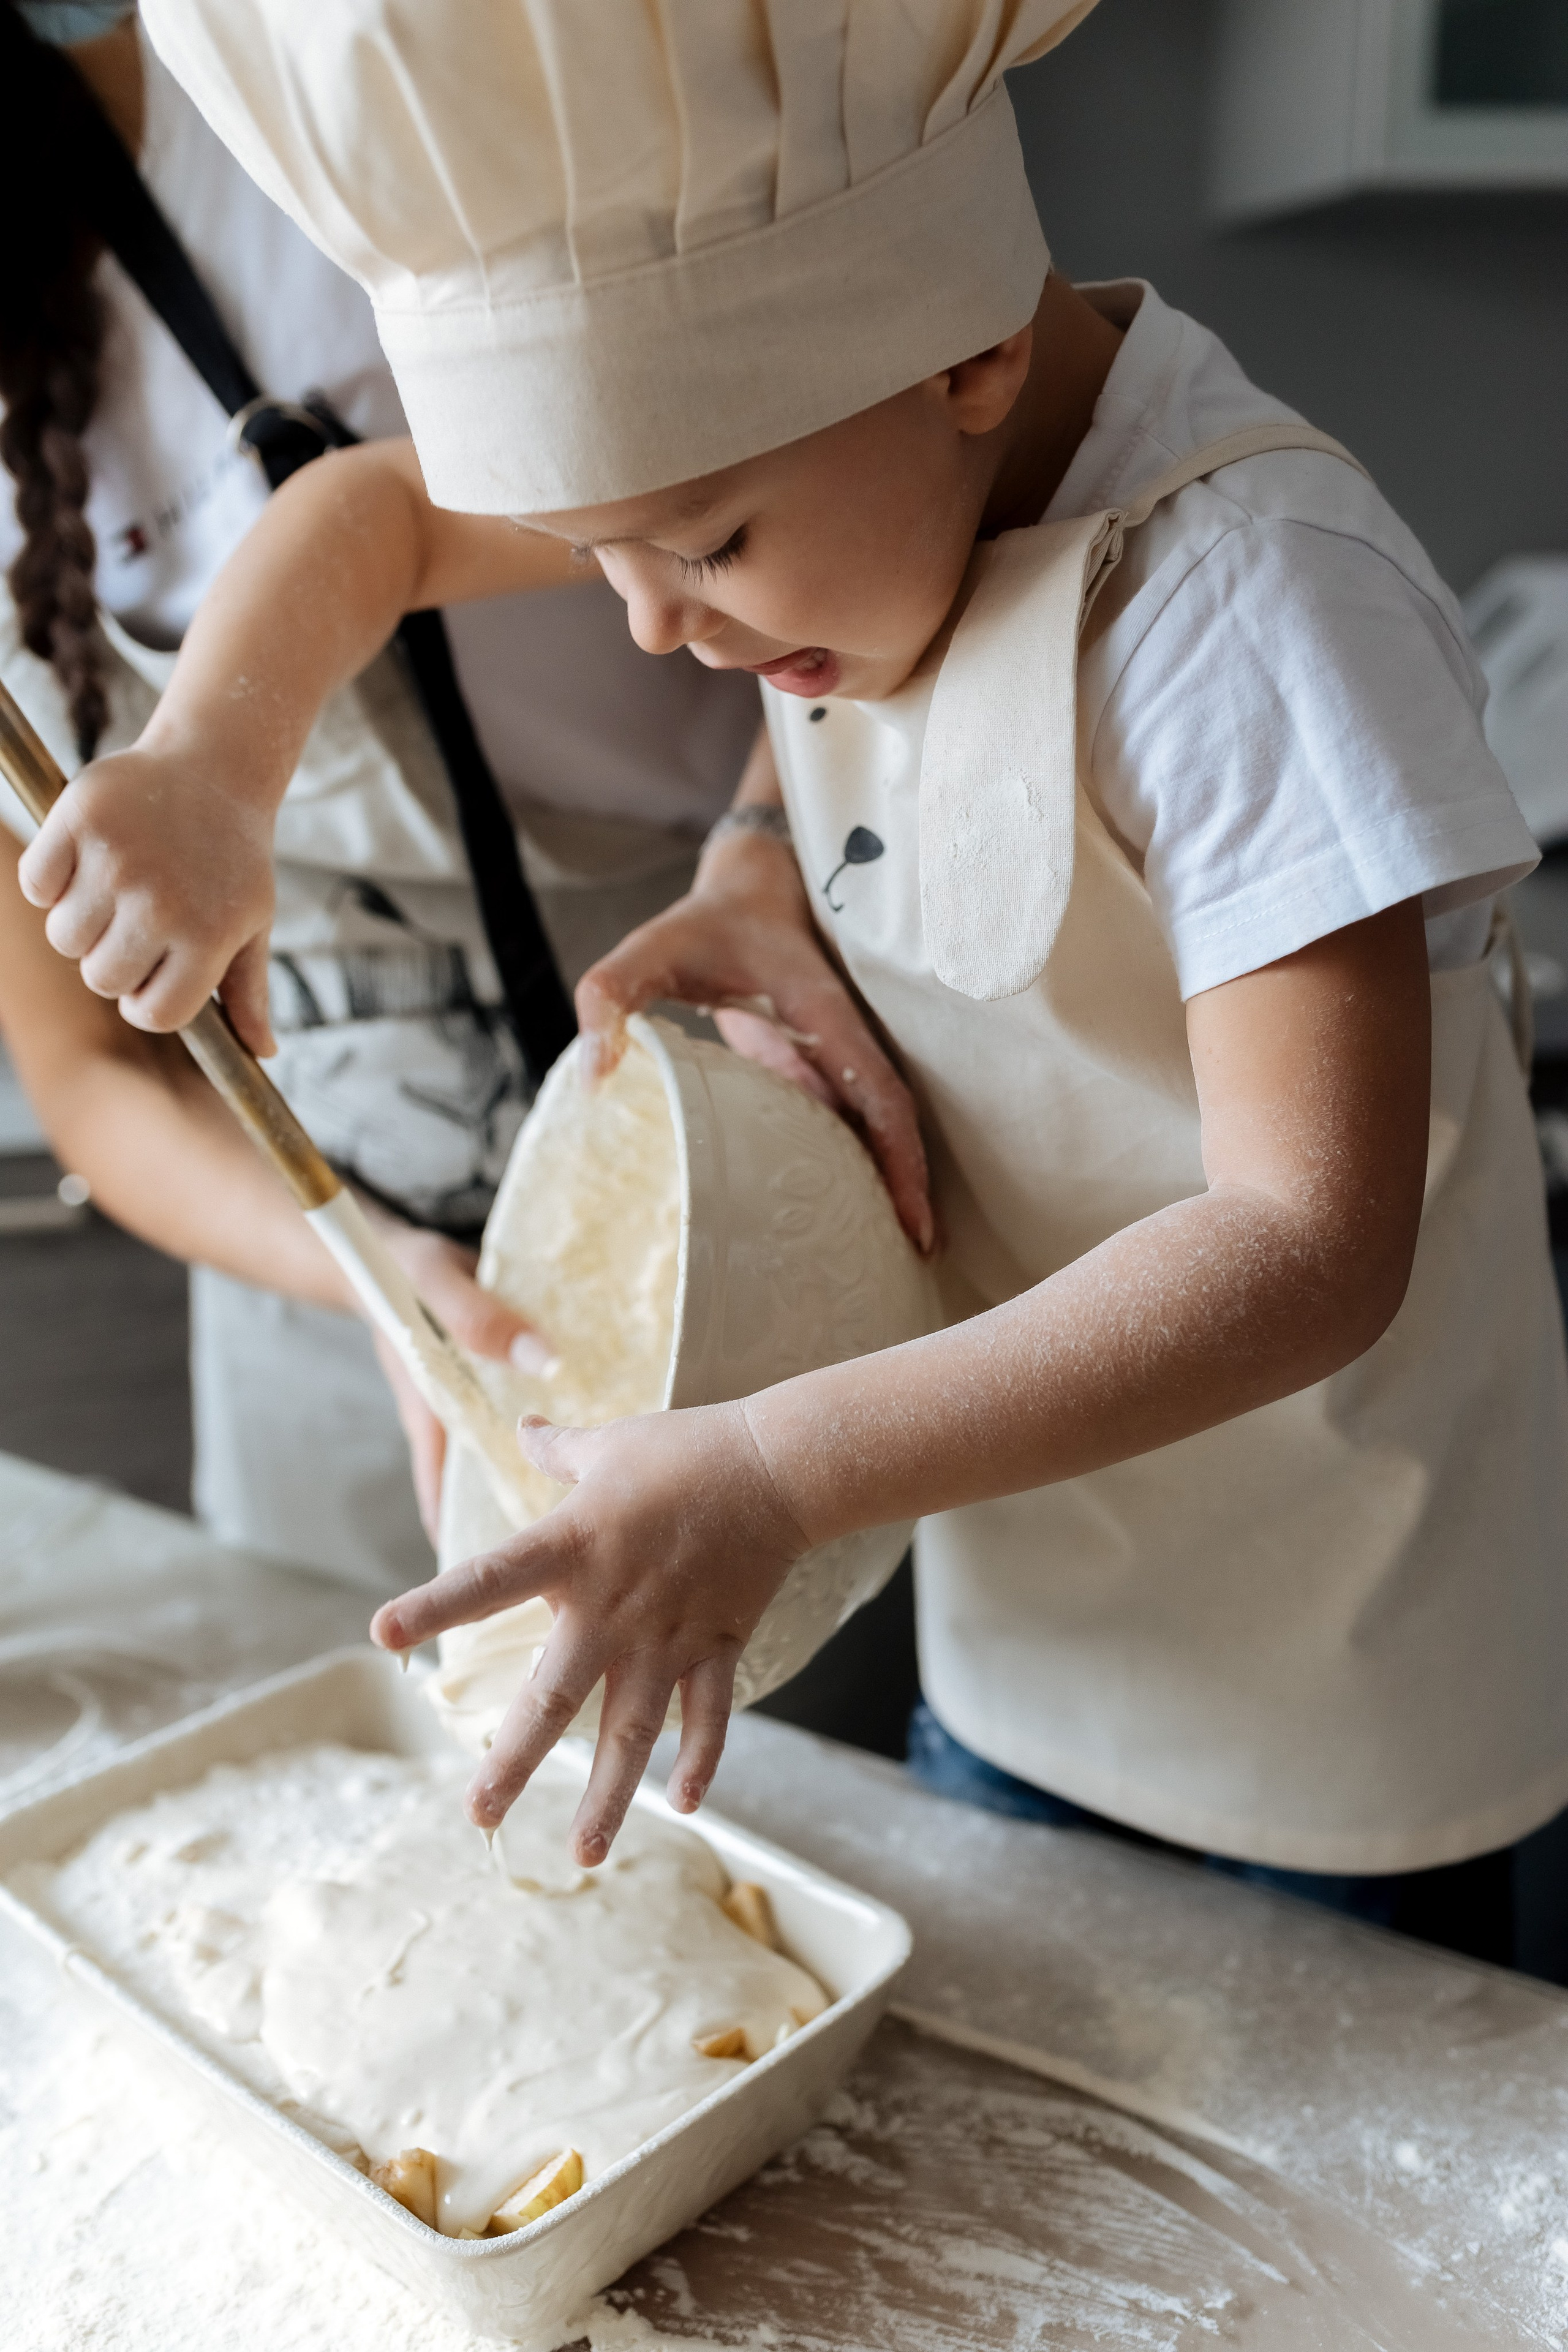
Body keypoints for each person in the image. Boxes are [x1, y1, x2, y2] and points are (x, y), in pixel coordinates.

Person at [25, 0, 1568, 1962]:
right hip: (1020, 1643)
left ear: (968, 354)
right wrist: (213, 766)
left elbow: (1306, 1242)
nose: (654, 629)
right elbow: (377, 516)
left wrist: (768, 1465)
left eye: (704, 548)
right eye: (597, 560)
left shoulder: (1243, 610)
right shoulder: (863, 518)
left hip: (1325, 1706)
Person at [0, 1, 760, 1591]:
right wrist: (368, 1271)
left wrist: (768, 851)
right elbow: (92, 1074)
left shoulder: (347, 80)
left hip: (723, 1078)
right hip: (329, 1294)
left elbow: (801, 474)